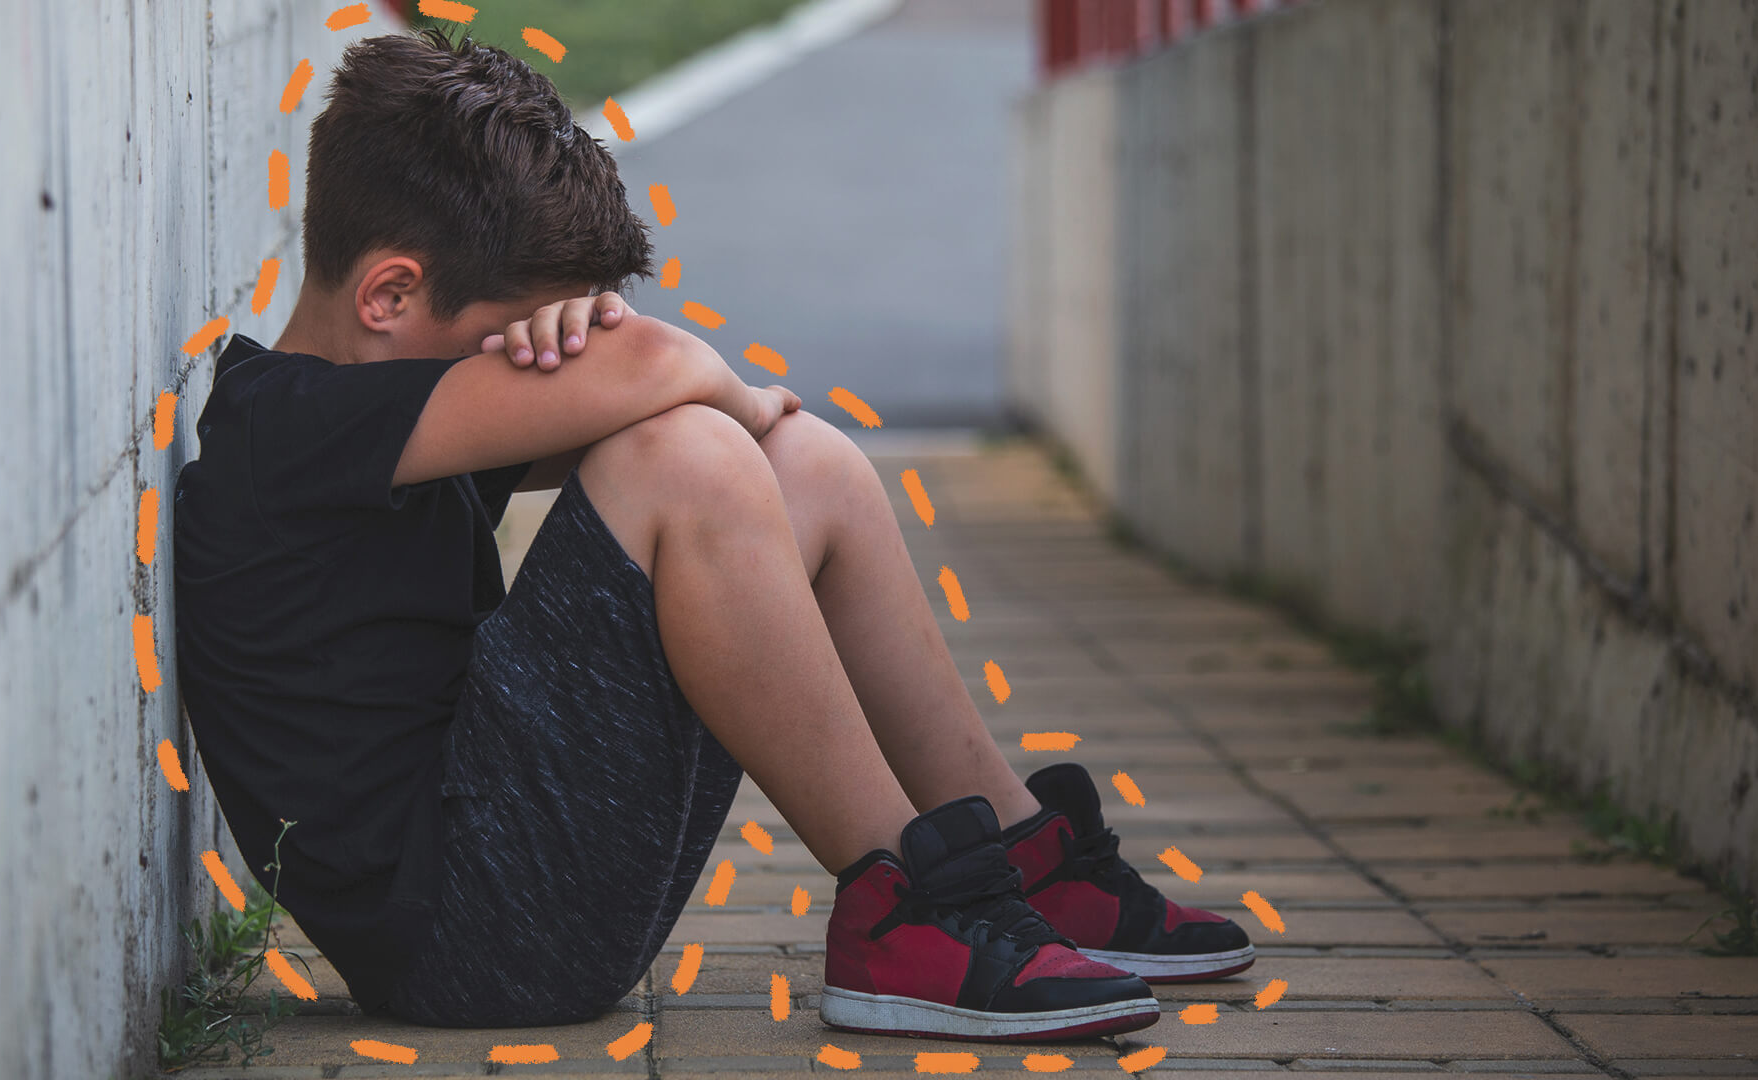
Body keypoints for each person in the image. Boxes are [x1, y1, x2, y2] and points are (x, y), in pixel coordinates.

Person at [171, 26, 1252, 1045]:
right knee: (692, 459)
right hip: (468, 943)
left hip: (516, 880)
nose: (520, 369)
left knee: (808, 467)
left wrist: (648, 379)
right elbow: (651, 381)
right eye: (505, 345)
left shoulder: (386, 414)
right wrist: (695, 384)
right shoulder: (280, 430)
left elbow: (635, 405)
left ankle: (1020, 857)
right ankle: (904, 907)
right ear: (390, 293)